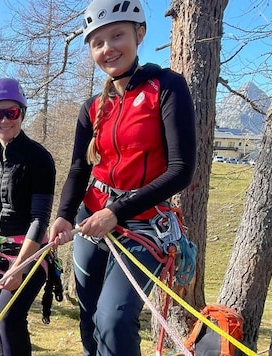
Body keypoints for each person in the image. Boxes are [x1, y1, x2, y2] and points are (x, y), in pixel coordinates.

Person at [49, 0, 197, 355]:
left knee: (113, 319)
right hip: (89, 220)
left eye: (117, 36)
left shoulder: (166, 87)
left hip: (141, 225)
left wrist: (117, 211)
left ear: (140, 34)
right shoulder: (92, 107)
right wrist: (63, 215)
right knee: (88, 316)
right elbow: (78, 169)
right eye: (97, 42)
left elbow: (181, 170)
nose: (107, 48)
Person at [0, 78, 56, 356]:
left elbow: (40, 219)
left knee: (9, 318)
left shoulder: (38, 159)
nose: (4, 120)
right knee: (4, 324)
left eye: (11, 112)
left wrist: (19, 267)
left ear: (22, 113)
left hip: (27, 257)